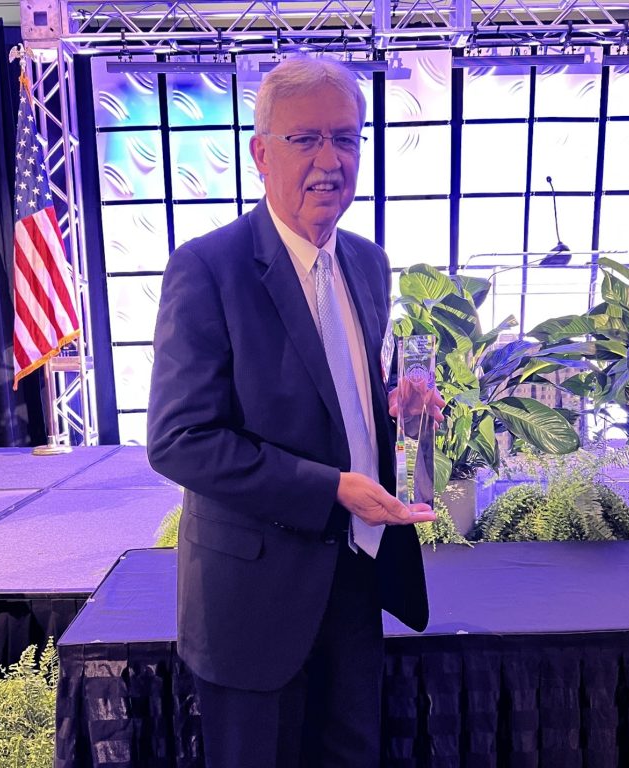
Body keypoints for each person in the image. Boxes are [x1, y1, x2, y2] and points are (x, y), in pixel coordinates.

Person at [147, 56, 445, 768]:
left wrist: (394, 407)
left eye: (345, 139)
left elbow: (334, 393)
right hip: (252, 600)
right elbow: (179, 440)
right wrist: (330, 490)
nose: (329, 160)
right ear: (259, 153)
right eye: (304, 139)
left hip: (354, 582)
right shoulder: (208, 268)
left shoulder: (368, 264)